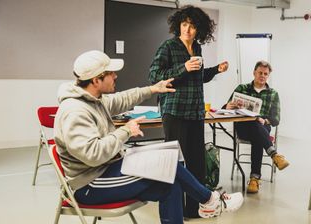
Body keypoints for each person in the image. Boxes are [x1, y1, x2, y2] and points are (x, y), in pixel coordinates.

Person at [53, 50, 243, 224]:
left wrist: (153, 89)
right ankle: (209, 200)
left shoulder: (94, 99)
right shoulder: (75, 111)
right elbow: (92, 154)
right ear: (96, 80)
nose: (115, 76)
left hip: (107, 170)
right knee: (168, 166)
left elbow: (122, 99)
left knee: (171, 179)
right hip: (89, 185)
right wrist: (125, 131)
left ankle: (208, 201)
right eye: (111, 73)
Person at [149, 5, 228, 218]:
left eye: (192, 26)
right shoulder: (168, 46)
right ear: (178, 25)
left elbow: (198, 76)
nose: (187, 30)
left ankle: (194, 209)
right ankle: (173, 211)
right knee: (174, 163)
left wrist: (215, 70)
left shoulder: (198, 49)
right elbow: (155, 76)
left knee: (196, 162)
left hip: (194, 112)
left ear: (199, 29)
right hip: (174, 112)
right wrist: (183, 68)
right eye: (184, 25)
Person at [225, 60, 289, 193]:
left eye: (265, 74)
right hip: (243, 128)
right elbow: (225, 108)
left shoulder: (273, 94)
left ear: (268, 75)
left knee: (257, 132)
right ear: (254, 72)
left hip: (262, 127)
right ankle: (273, 156)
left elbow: (276, 119)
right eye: (260, 72)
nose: (262, 76)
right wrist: (228, 106)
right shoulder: (242, 88)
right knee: (255, 125)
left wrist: (264, 121)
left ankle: (254, 179)